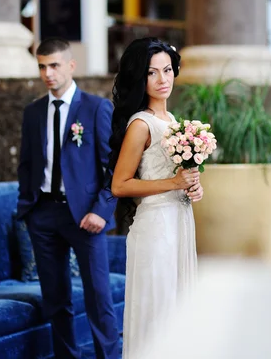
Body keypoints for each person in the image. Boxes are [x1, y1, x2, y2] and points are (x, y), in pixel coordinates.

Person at [16, 38, 119, 359]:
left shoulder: (96, 108)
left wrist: (101, 210)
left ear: (71, 66)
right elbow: (27, 164)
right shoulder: (33, 112)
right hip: (43, 215)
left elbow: (115, 165)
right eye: (42, 66)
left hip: (86, 217)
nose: (48, 73)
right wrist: (28, 208)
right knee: (56, 299)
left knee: (99, 297)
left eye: (54, 65)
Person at [107, 37, 204, 358]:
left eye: (167, 70)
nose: (163, 80)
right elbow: (120, 185)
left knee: (179, 307)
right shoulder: (141, 123)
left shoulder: (173, 122)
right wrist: (174, 181)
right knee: (158, 309)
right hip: (155, 227)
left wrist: (192, 186)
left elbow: (175, 178)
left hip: (179, 221)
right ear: (140, 77)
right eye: (152, 73)